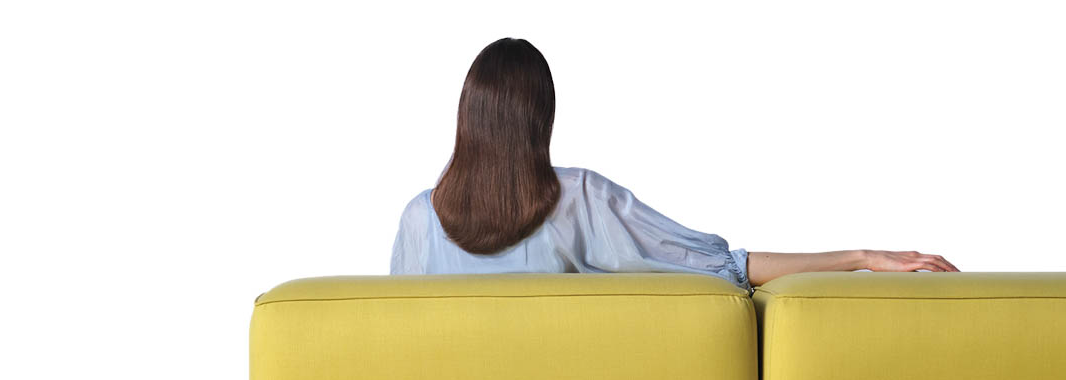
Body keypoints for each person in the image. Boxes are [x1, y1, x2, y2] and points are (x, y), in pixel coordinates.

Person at [391, 38, 958, 290]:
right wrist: (859, 256)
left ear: (468, 117)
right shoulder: (579, 199)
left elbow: (398, 346)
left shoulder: (419, 219)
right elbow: (718, 266)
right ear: (542, 119)